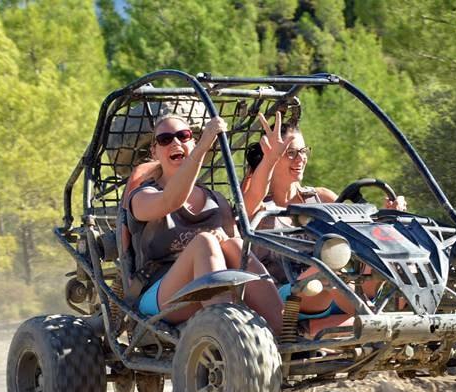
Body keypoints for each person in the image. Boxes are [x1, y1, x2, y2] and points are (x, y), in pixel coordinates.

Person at [242, 112, 407, 320]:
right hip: (286, 297)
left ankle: (416, 323)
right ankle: (372, 322)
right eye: (290, 153)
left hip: (336, 291)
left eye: (303, 151)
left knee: (387, 251)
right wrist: (269, 159)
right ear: (272, 156)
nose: (301, 158)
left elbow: (360, 235)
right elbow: (250, 200)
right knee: (325, 268)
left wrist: (390, 218)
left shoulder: (321, 198)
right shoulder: (258, 205)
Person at [127, 114, 283, 333]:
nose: (175, 143)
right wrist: (203, 147)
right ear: (154, 151)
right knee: (205, 242)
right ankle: (231, 336)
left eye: (183, 136)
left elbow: (251, 203)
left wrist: (271, 160)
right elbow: (171, 200)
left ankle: (286, 335)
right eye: (165, 139)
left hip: (214, 292)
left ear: (191, 140)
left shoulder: (215, 199)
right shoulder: (143, 196)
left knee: (236, 245)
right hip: (160, 296)